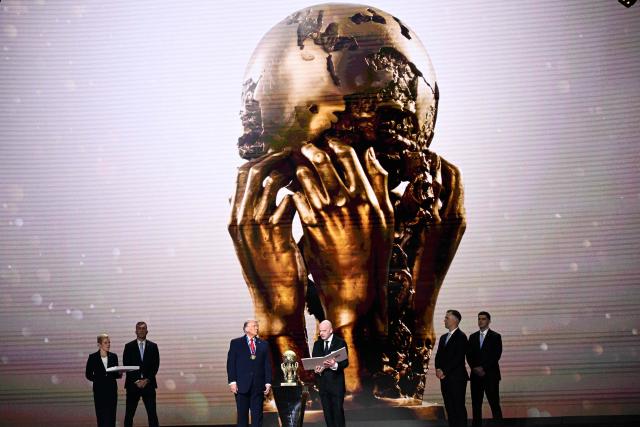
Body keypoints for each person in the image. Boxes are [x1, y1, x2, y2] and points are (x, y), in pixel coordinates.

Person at [226, 319, 273, 427]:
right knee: (242, 416)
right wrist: (232, 382)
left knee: (257, 416)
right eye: (254, 326)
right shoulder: (236, 343)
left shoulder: (263, 344)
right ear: (246, 329)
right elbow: (231, 364)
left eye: (257, 326)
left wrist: (268, 382)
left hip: (258, 385)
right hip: (241, 386)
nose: (257, 328)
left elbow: (267, 364)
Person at [466, 311, 503, 427]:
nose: (480, 321)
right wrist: (474, 368)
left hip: (491, 375)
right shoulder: (472, 337)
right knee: (476, 404)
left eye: (483, 319)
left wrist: (483, 368)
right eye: (479, 319)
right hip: (476, 376)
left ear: (489, 321)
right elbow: (468, 355)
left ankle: (498, 425)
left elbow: (496, 355)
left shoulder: (496, 336)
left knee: (494, 404)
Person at [435, 310, 468, 427]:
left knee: (458, 407)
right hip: (445, 379)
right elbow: (438, 356)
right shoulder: (443, 337)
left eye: (447, 318)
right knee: (449, 407)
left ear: (455, 320)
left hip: (457, 378)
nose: (444, 320)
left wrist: (444, 371)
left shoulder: (462, 336)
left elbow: (458, 358)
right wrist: (438, 369)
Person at [312, 320, 349, 427]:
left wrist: (334, 364)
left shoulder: (340, 342)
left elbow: (345, 363)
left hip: (336, 386)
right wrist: (317, 370)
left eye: (324, 331)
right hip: (323, 386)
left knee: (338, 414)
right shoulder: (317, 344)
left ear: (331, 330)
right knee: (328, 415)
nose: (321, 333)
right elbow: (315, 362)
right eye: (320, 331)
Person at [123, 321, 160, 427]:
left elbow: (155, 365)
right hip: (133, 385)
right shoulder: (128, 346)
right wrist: (137, 381)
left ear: (147, 331)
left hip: (149, 385)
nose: (141, 330)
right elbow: (127, 365)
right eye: (139, 328)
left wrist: (147, 380)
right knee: (129, 415)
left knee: (152, 415)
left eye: (143, 328)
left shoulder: (153, 346)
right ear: (135, 331)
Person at [85, 333, 122, 427]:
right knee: (101, 415)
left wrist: (120, 373)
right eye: (106, 342)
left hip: (112, 390)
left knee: (112, 415)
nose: (108, 344)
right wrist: (99, 380)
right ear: (99, 344)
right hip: (99, 390)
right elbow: (88, 375)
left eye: (109, 342)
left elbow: (115, 375)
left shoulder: (113, 356)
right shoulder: (93, 357)